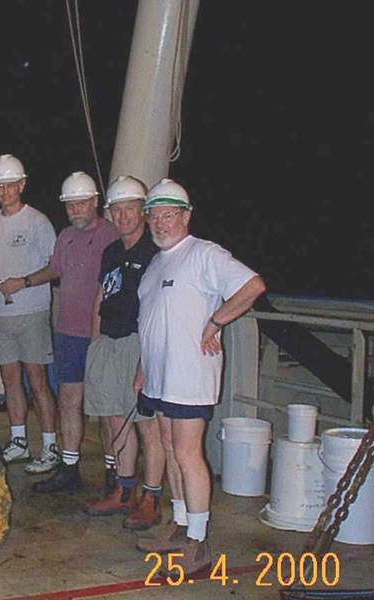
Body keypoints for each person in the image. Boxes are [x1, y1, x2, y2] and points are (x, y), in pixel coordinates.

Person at [133, 178, 266, 575]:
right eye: (154, 216)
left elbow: (252, 285)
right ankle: (179, 524)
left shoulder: (204, 254)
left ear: (186, 217)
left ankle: (198, 542)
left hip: (189, 375)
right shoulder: (156, 264)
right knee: (171, 449)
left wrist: (215, 321)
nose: (160, 223)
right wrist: (143, 368)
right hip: (158, 375)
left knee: (188, 454)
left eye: (168, 215)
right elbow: (151, 319)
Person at [0, 172, 118, 491]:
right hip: (67, 332)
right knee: (68, 399)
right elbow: (55, 270)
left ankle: (113, 472)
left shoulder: (112, 236)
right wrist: (24, 281)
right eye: (70, 205)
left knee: (106, 407)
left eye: (82, 203)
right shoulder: (64, 236)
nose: (77, 210)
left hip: (101, 335)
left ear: (95, 202)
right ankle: (69, 467)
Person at [81, 175, 166, 531]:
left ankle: (151, 497)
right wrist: (95, 342)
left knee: (148, 425)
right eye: (117, 209)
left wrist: (148, 359)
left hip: (138, 342)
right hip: (109, 342)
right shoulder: (111, 252)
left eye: (130, 208)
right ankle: (124, 489)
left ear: (142, 211)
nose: (124, 215)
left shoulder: (156, 251)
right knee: (117, 419)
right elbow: (102, 296)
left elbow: (161, 306)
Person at [0, 154, 59, 474]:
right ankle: (19, 441)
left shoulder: (38, 222)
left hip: (33, 311)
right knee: (10, 380)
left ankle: (50, 446)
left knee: (37, 380)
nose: (4, 191)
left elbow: (55, 266)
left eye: (10, 184)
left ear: (22, 185)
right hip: (0, 314)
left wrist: (23, 282)